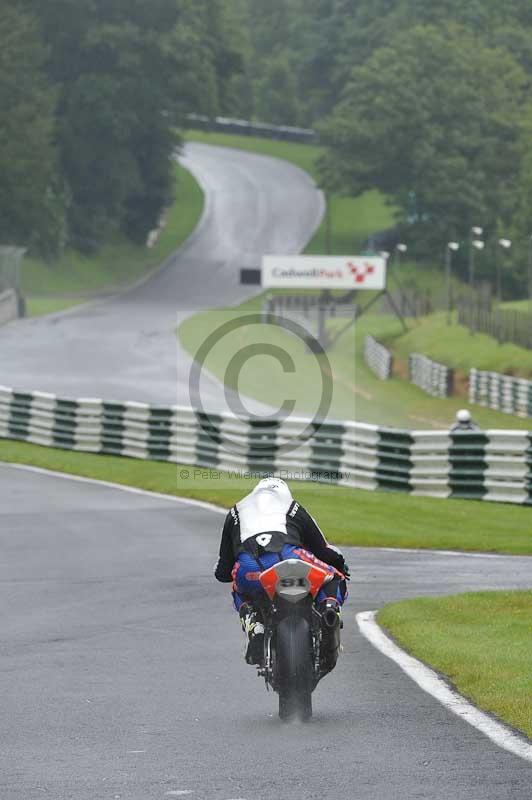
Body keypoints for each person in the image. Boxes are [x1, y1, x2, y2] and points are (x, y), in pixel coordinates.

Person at [214, 477, 349, 665]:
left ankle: (254, 625)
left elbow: (223, 569)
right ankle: (329, 608)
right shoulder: (293, 507)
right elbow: (323, 549)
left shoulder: (235, 511)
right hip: (290, 557)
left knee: (238, 587)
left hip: (250, 568)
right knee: (334, 576)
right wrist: (341, 565)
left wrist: (226, 572)